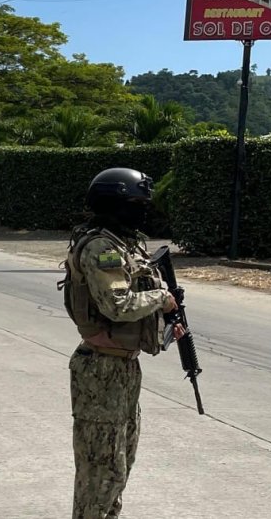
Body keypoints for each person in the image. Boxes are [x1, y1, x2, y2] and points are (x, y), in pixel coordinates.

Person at [63, 167, 183, 519]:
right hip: (101, 370)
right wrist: (162, 298)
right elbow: (116, 305)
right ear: (114, 205)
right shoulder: (101, 248)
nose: (142, 211)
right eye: (136, 204)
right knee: (101, 469)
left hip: (124, 367)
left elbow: (136, 299)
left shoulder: (124, 245)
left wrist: (166, 325)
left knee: (120, 463)